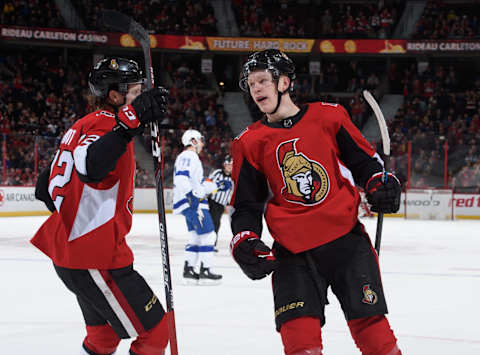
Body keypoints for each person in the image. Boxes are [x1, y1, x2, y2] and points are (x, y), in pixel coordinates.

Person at [229, 49, 402, 355]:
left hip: (346, 243)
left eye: (262, 81)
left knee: (377, 341)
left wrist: (380, 183)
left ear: (284, 82)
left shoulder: (329, 116)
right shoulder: (249, 142)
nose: (255, 89)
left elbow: (366, 164)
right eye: (251, 83)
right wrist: (244, 238)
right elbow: (246, 205)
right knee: (300, 345)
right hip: (292, 254)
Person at [31, 57, 171, 355]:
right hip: (92, 256)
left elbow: (44, 189)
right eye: (135, 91)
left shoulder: (84, 123)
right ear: (114, 95)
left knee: (102, 339)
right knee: (157, 332)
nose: (141, 97)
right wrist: (127, 127)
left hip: (76, 252)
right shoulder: (107, 125)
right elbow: (89, 166)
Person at [173, 129, 225, 285]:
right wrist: (191, 197)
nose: (202, 143)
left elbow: (199, 185)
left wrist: (217, 185)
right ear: (193, 141)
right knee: (209, 236)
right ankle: (205, 270)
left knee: (196, 237)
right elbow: (182, 178)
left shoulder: (190, 157)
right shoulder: (188, 156)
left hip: (192, 202)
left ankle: (189, 270)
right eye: (200, 140)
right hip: (193, 203)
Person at [207, 155, 234, 251]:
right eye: (228, 165)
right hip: (212, 202)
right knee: (213, 222)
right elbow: (208, 183)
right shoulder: (217, 173)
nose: (230, 167)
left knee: (216, 224)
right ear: (224, 165)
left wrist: (228, 203)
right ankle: (209, 244)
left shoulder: (234, 177)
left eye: (231, 165)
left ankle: (211, 244)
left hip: (221, 205)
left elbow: (231, 192)